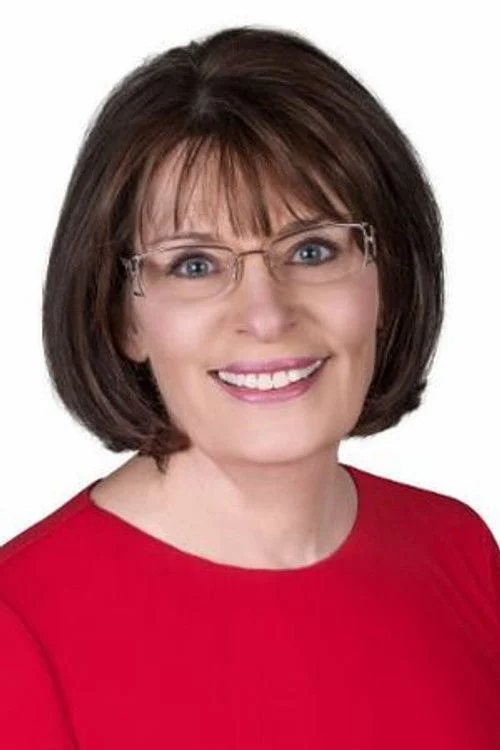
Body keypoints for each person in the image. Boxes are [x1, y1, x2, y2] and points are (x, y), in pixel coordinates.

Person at [1, 25, 499, 749]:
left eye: (313, 249)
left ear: (385, 280)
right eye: (195, 265)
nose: (266, 316)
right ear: (122, 317)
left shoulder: (459, 551)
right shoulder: (19, 630)